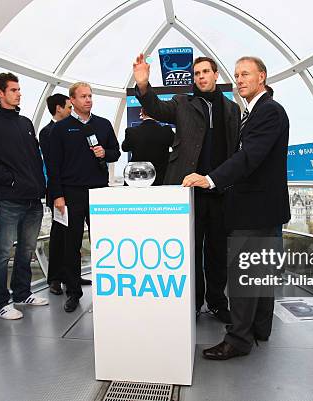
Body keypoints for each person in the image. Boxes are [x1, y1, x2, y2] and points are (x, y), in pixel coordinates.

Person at [183, 56, 291, 359]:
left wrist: (209, 179)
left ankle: (239, 340)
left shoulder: (268, 111)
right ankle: (260, 329)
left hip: (255, 210)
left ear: (262, 76)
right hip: (265, 209)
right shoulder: (257, 112)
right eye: (237, 74)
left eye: (246, 74)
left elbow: (248, 158)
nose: (240, 79)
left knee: (246, 275)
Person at [132, 54, 240, 323]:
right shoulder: (182, 103)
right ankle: (192, 302)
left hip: (220, 190)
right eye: (196, 74)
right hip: (186, 189)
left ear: (216, 75)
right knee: (189, 250)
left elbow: (235, 150)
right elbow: (155, 108)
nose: (201, 77)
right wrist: (144, 84)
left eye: (205, 72)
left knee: (216, 251)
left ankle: (217, 302)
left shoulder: (231, 109)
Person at [0, 72, 49, 320]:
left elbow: (35, 159)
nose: (19, 93)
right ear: (0, 93)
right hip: (9, 199)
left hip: (34, 199)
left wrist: (40, 186)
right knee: (2, 252)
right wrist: (10, 179)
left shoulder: (26, 123)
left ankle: (22, 293)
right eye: (14, 90)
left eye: (19, 89)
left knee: (26, 250)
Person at [48, 82, 120, 313]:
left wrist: (105, 153)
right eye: (83, 96)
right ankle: (74, 293)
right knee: (72, 245)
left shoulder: (104, 124)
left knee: (104, 243)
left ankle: (109, 290)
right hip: (71, 194)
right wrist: (57, 195)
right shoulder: (60, 128)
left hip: (99, 192)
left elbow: (116, 152)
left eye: (90, 96)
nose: (88, 100)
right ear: (72, 100)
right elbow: (53, 166)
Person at [39, 94, 91, 295]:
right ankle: (54, 278)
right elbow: (54, 164)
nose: (71, 110)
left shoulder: (74, 129)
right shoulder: (47, 132)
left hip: (72, 192)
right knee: (59, 235)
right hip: (58, 193)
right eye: (69, 107)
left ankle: (72, 277)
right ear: (58, 108)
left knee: (71, 239)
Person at [122, 108, 174, 186]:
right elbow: (177, 146)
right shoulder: (166, 130)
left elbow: (124, 148)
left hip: (137, 177)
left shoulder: (131, 131)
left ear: (142, 113)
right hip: (162, 177)